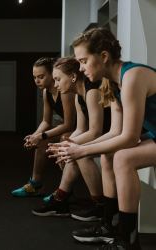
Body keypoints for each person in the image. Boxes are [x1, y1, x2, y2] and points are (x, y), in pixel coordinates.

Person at [52, 27, 156, 250]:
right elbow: (115, 132)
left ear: (104, 56)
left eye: (83, 61)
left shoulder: (132, 76)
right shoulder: (113, 82)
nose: (80, 68)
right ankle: (110, 225)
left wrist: (82, 151)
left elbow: (129, 138)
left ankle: (128, 242)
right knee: (109, 154)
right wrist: (75, 146)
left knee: (123, 158)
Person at [32, 57, 110, 221]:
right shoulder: (77, 96)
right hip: (103, 136)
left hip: (113, 136)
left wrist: (70, 146)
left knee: (79, 153)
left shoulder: (92, 91)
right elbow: (81, 129)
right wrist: (65, 145)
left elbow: (95, 132)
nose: (56, 84)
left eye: (58, 79)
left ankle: (100, 206)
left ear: (73, 77)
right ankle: (61, 199)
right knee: (72, 149)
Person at [12, 57, 76, 197]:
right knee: (41, 142)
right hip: (68, 127)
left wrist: (41, 135)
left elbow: (69, 124)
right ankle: (35, 184)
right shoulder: (46, 92)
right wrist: (35, 136)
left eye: (41, 76)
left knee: (64, 138)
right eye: (34, 77)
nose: (37, 81)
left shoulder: (65, 91)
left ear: (52, 73)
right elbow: (46, 121)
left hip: (79, 128)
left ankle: (64, 191)